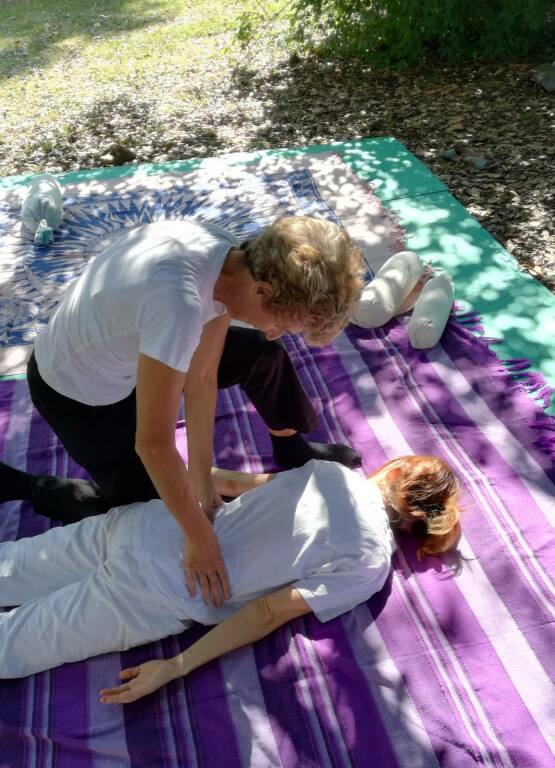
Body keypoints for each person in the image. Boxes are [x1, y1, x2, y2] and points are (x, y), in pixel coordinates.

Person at [0, 215, 364, 606]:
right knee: (144, 516)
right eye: (281, 323)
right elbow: (154, 444)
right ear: (262, 290)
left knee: (263, 353)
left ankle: (292, 449)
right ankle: (27, 486)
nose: (275, 330)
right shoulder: (179, 306)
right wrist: (200, 538)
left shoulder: (230, 256)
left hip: (138, 355)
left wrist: (202, 482)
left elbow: (202, 375)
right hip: (76, 392)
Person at [0, 455, 462, 688]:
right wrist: (176, 667)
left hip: (150, 524)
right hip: (155, 591)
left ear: (397, 472)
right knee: (13, 642)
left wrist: (163, 468)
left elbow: (229, 483)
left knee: (12, 565)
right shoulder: (370, 563)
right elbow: (265, 612)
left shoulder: (334, 473)